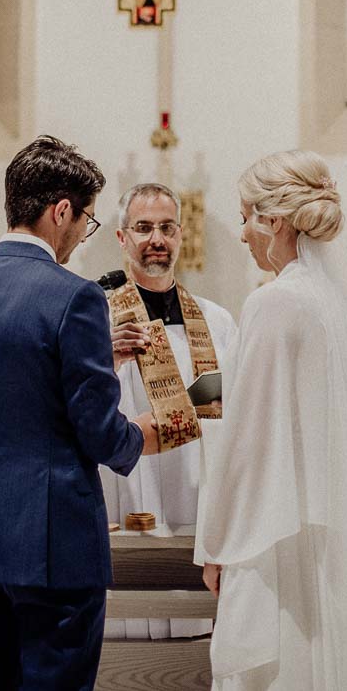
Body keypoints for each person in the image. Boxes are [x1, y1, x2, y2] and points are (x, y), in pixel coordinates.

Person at [0, 136, 164, 690]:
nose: (82, 235)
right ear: (61, 212)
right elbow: (99, 432)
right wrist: (143, 435)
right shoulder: (74, 297)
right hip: (55, 548)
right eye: (86, 222)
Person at [195, 151, 347, 690]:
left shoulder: (273, 303)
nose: (242, 232)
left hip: (277, 535)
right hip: (330, 526)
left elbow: (251, 440)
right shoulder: (337, 301)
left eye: (246, 216)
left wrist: (217, 544)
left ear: (275, 222)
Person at [100, 182, 237, 640]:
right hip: (123, 492)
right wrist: (104, 356)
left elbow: (224, 415)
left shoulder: (216, 322)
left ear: (181, 235)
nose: (156, 238)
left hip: (194, 501)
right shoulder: (95, 316)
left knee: (193, 649)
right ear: (122, 238)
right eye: (143, 228)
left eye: (166, 227)